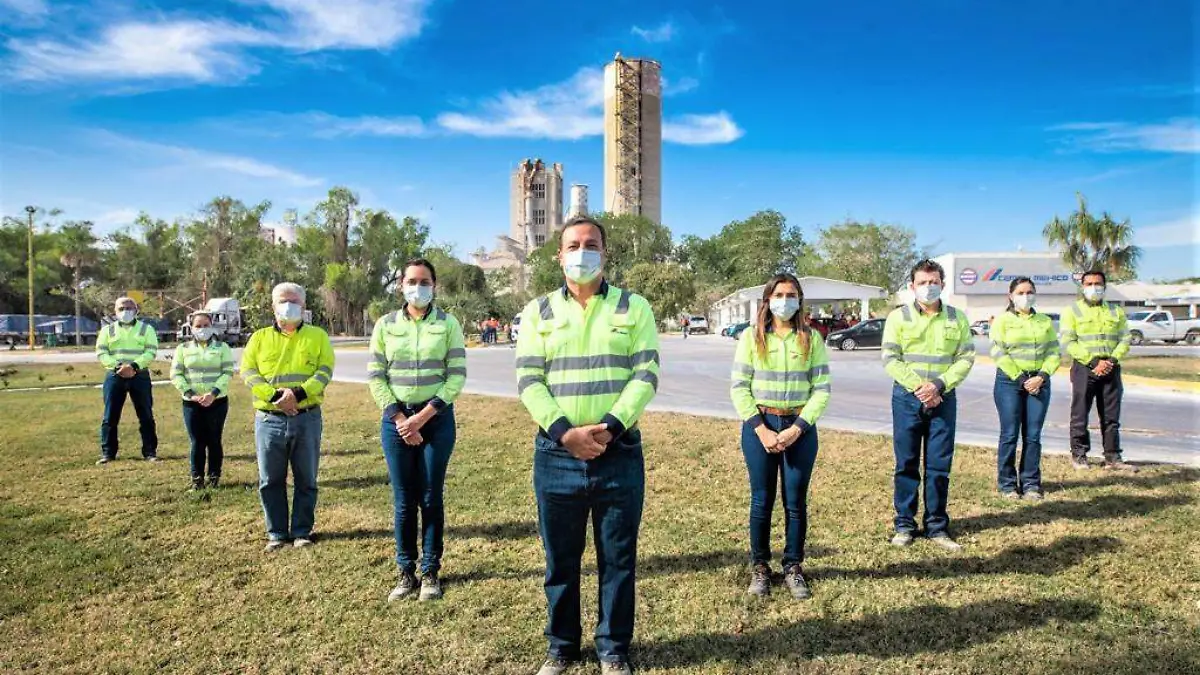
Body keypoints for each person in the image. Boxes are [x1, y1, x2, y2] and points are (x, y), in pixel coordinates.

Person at [515, 216, 660, 675]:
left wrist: (609, 429)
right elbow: (529, 380)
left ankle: (613, 648)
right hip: (556, 454)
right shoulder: (537, 312)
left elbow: (646, 375)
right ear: (558, 255)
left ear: (605, 252)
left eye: (591, 244)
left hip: (617, 452)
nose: (582, 252)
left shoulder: (634, 307)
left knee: (618, 558)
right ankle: (561, 647)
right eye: (573, 245)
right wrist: (565, 433)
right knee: (560, 559)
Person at [367, 259, 468, 603]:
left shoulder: (448, 324)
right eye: (412, 281)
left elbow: (455, 376)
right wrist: (399, 420)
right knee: (403, 500)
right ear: (401, 285)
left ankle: (430, 572)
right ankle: (405, 571)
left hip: (435, 420)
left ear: (434, 285)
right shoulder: (385, 325)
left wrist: (423, 417)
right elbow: (377, 376)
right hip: (395, 421)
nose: (418, 287)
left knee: (430, 496)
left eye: (424, 281)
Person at [730, 273, 831, 600]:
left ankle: (793, 566)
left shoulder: (811, 339)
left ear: (800, 300)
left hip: (799, 427)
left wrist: (797, 428)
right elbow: (739, 387)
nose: (784, 301)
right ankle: (760, 567)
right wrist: (760, 428)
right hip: (760, 425)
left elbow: (822, 390)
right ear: (768, 300)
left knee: (795, 501)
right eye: (779, 294)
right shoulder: (751, 337)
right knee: (762, 500)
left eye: (791, 295)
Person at [881, 259, 975, 550]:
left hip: (943, 399)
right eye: (922, 282)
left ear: (943, 285)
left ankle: (936, 526)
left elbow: (966, 357)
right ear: (912, 287)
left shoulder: (956, 318)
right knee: (906, 464)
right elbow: (890, 359)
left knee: (938, 465)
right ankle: (904, 525)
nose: (928, 287)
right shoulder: (898, 318)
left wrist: (938, 385)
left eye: (934, 281)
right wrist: (919, 387)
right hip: (908, 398)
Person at [241, 283, 335, 552]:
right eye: (283, 301)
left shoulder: (318, 336)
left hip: (307, 417)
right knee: (270, 479)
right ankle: (277, 533)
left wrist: (297, 394)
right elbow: (248, 372)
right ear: (273, 306)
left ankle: (302, 531)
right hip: (269, 419)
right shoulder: (258, 338)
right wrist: (274, 398)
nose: (289, 306)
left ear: (304, 307)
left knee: (306, 478)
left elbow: (324, 371)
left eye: (294, 301)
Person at [1060, 271, 1137, 472]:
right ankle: (1079, 455)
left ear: (1105, 286)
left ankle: (1112, 456)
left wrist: (1111, 360)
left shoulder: (1115, 311)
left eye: (1098, 283)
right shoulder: (1072, 311)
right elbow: (1069, 342)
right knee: (1079, 414)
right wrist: (1094, 362)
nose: (1094, 287)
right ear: (1082, 286)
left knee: (1111, 416)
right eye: (1089, 283)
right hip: (1085, 368)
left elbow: (1125, 339)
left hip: (1111, 368)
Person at [989, 278, 1059, 500]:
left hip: (1039, 382)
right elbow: (999, 353)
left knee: (1033, 436)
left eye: (1030, 292)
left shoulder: (1044, 322)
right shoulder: (1002, 321)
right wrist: (1021, 379)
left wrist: (1042, 376)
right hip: (1010, 383)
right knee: (1010, 434)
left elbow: (1054, 353)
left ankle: (1030, 483)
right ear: (1010, 296)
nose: (1025, 296)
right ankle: (1007, 484)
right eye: (1020, 292)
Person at [171, 311, 236, 491]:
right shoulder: (182, 349)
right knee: (197, 441)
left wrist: (213, 393)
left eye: (206, 325)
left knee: (214, 440)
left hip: (217, 402)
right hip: (192, 403)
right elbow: (176, 374)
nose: (202, 329)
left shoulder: (222, 347)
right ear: (191, 328)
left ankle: (214, 478)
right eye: (198, 326)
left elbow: (227, 372)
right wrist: (190, 393)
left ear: (212, 326)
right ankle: (197, 480)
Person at [95, 296, 160, 464]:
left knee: (145, 414)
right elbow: (101, 353)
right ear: (115, 312)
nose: (126, 312)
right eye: (121, 309)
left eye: (129, 308)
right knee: (110, 416)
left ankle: (150, 452)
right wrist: (118, 367)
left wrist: (134, 366)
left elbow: (151, 352)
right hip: (114, 376)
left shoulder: (147, 329)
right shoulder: (107, 331)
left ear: (136, 310)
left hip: (140, 375)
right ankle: (108, 453)